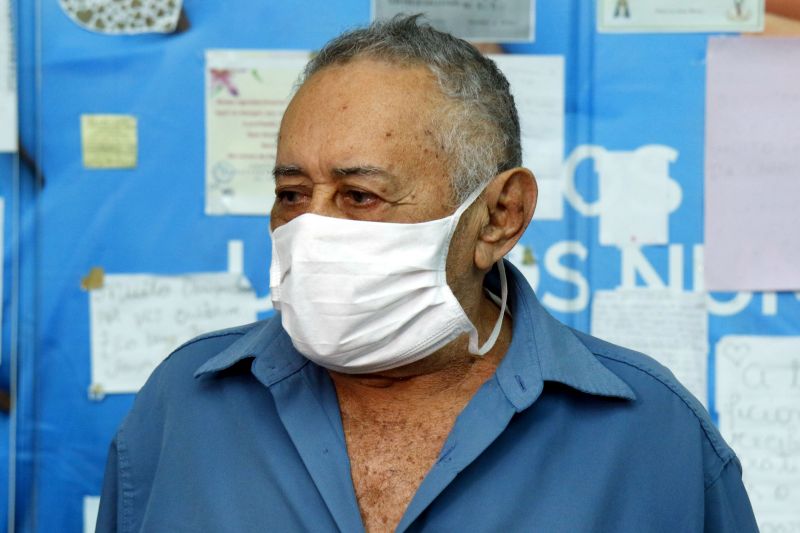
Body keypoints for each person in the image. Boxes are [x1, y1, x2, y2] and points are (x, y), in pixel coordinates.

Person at [96, 15, 758, 533]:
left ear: (500, 215)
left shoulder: (650, 435)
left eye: (360, 196)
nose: (311, 228)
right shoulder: (183, 407)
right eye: (293, 193)